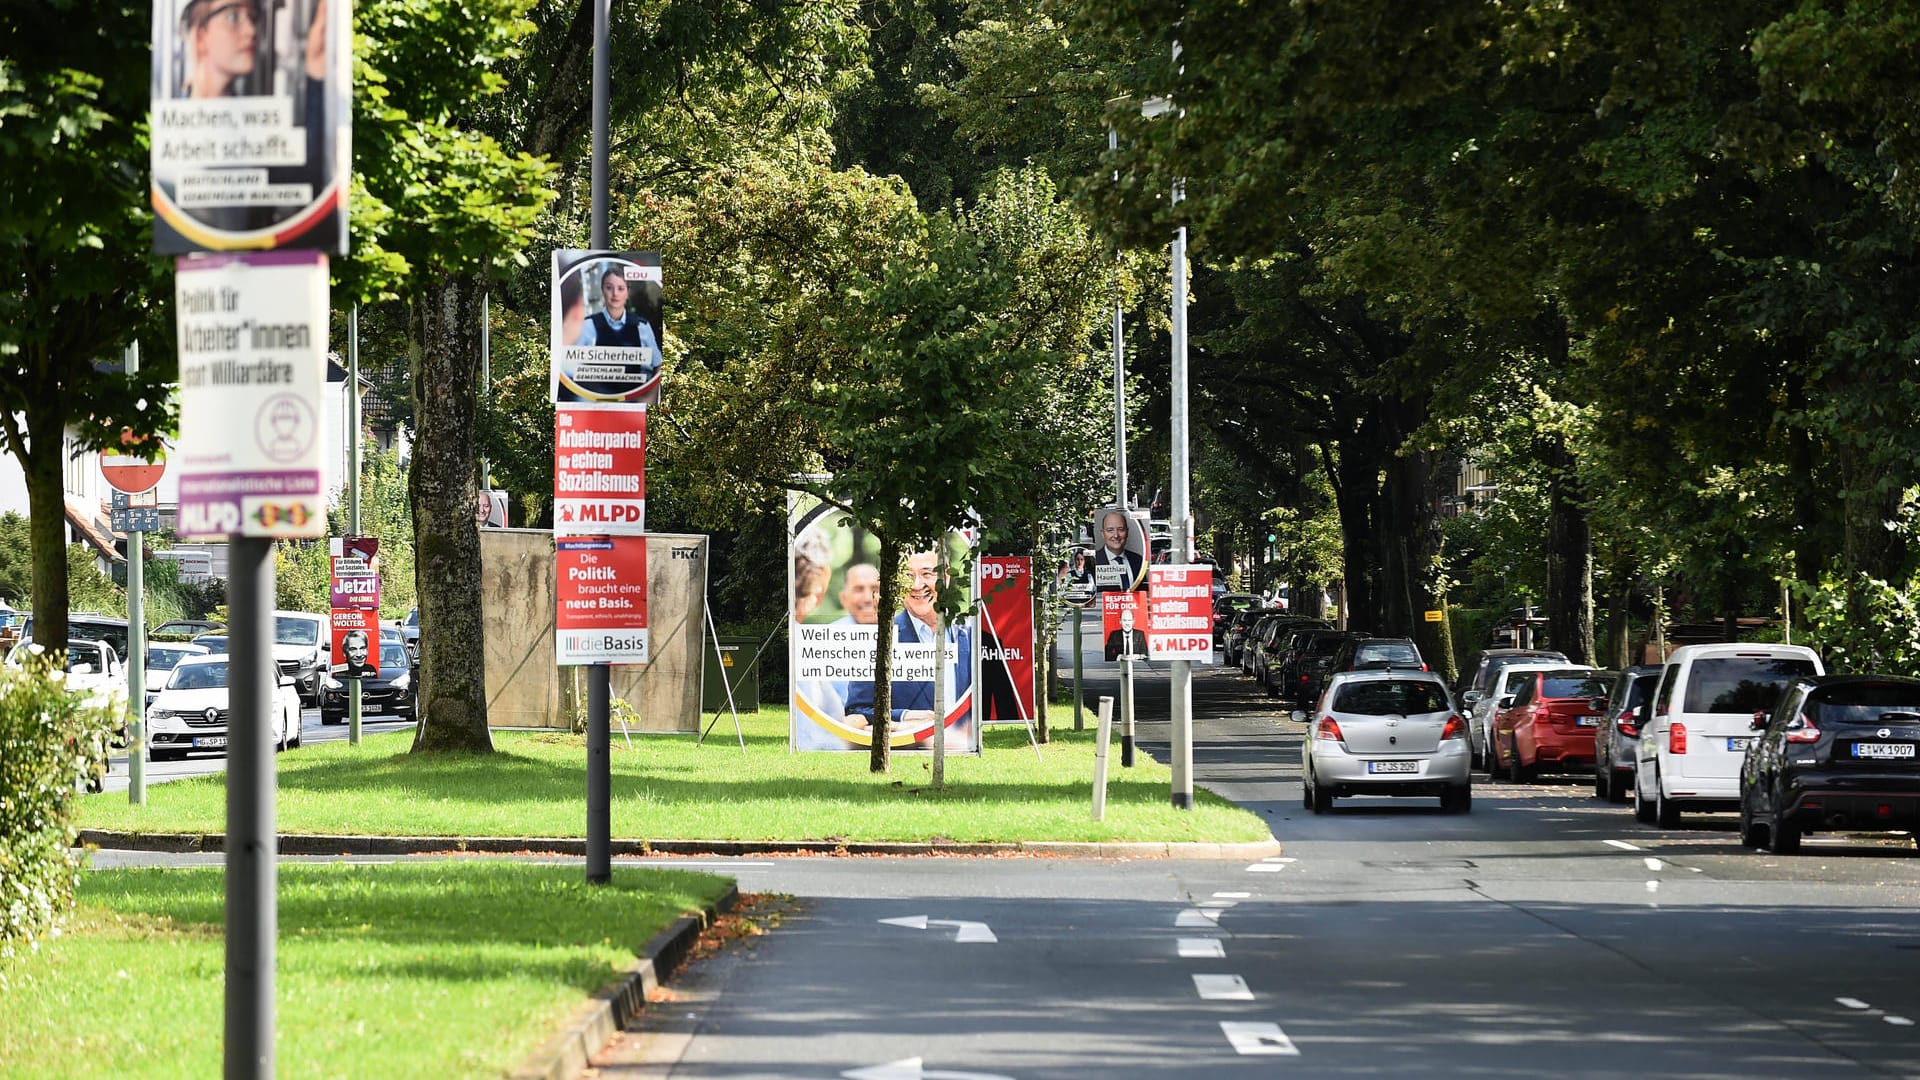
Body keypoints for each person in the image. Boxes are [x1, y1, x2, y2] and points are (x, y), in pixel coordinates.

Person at [845, 550, 973, 740]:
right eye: (907, 576)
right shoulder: (879, 639)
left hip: (966, 756)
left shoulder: (969, 637)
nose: (916, 585)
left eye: (927, 574)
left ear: (945, 577)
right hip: (910, 756)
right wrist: (904, 717)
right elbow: (856, 710)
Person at [575, 267, 663, 360]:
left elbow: (658, 364)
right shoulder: (587, 325)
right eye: (609, 288)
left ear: (627, 292)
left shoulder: (642, 326)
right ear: (602, 290)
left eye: (620, 288)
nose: (615, 293)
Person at [1093, 509, 1145, 592]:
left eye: (1121, 529)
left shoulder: (1138, 560)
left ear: (1127, 532)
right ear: (1102, 533)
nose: (1116, 535)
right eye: (1110, 530)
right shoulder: (1094, 561)